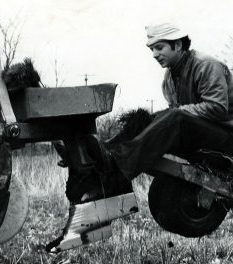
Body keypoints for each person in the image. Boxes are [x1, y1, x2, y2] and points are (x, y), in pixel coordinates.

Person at [70, 21, 233, 201]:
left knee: (175, 117)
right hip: (200, 137)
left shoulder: (206, 65)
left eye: (159, 48)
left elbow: (217, 108)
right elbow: (182, 114)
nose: (154, 55)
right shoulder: (170, 77)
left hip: (226, 140)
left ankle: (116, 173)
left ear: (178, 45)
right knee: (143, 119)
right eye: (152, 50)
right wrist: (153, 118)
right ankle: (103, 153)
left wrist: (174, 112)